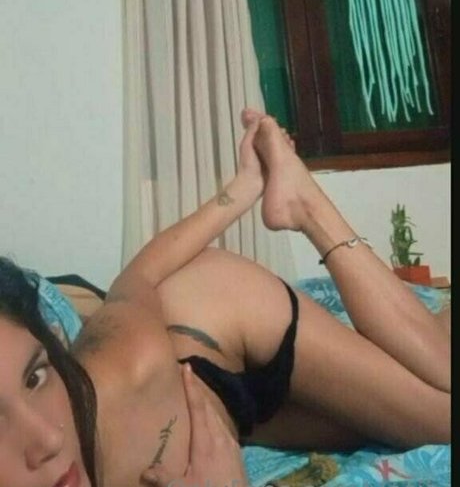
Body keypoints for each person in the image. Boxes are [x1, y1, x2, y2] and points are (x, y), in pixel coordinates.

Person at [0, 110, 451, 487]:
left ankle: (303, 203)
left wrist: (244, 187)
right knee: (390, 413)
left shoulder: (128, 367)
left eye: (36, 377)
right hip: (235, 409)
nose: (48, 441)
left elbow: (138, 277)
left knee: (442, 415)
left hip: (222, 313)